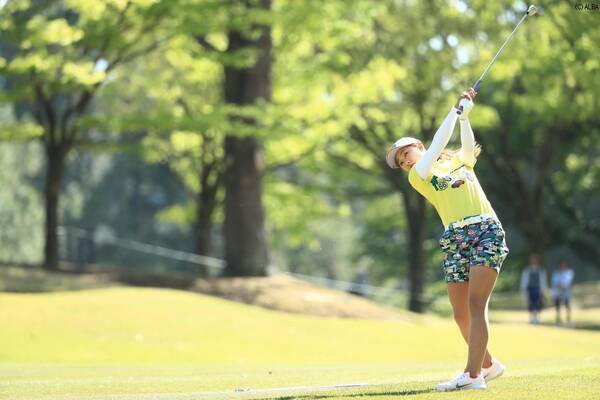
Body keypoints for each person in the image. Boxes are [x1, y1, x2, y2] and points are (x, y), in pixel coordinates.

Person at [386, 88, 509, 392]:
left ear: (418, 145)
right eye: (401, 161)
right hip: (454, 237)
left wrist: (465, 118)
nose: (405, 161)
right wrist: (454, 113)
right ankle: (488, 365)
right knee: (460, 313)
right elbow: (439, 143)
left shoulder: (457, 161)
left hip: (485, 230)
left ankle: (472, 375)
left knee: (477, 304)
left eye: (406, 153)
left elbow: (467, 153)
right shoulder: (419, 175)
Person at [519, 254, 547, 324]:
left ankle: (537, 317)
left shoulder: (540, 270)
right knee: (531, 303)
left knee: (538, 303)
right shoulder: (527, 270)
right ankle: (531, 318)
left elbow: (543, 280)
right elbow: (524, 280)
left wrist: (543, 289)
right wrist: (523, 288)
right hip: (530, 289)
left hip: (537, 289)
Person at [551, 260, 574, 327]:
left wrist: (563, 286)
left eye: (564, 265)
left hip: (566, 292)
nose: (562, 266)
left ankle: (569, 320)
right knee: (558, 306)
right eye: (561, 265)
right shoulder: (556, 273)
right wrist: (560, 286)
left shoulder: (569, 272)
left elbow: (567, 281)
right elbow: (554, 282)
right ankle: (558, 320)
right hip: (557, 292)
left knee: (567, 306)